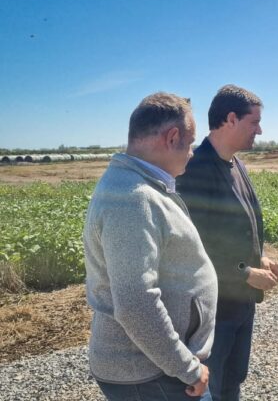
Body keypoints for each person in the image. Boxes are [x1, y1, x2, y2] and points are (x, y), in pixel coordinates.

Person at [84, 92, 217, 400]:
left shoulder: (142, 187)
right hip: (152, 374)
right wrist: (188, 368)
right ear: (172, 137)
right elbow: (135, 302)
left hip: (153, 367)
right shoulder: (134, 199)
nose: (193, 152)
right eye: (191, 141)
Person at [177, 84, 278, 401]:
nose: (260, 130)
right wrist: (244, 272)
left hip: (241, 303)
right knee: (211, 387)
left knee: (233, 380)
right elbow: (193, 246)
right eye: (254, 122)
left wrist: (260, 258)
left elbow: (239, 229)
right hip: (212, 310)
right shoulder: (195, 170)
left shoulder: (236, 164)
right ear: (231, 119)